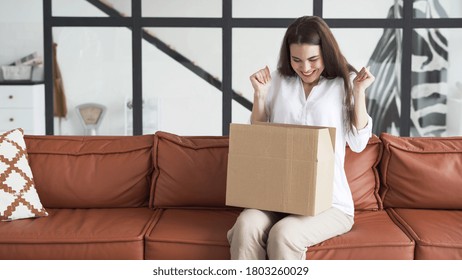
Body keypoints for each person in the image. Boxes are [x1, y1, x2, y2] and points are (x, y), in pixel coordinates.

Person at [227, 15, 375, 260]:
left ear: (326, 53)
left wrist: (359, 93)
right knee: (246, 225)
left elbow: (359, 143)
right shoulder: (278, 81)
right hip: (276, 195)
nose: (305, 68)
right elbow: (260, 139)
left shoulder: (345, 83)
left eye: (313, 59)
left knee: (283, 234)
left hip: (331, 203)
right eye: (296, 60)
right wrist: (260, 96)